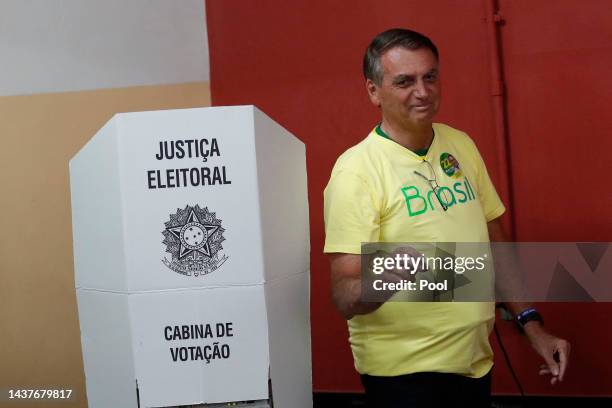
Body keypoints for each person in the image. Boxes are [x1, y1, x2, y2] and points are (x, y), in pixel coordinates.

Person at [323, 28, 570, 407]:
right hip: (405, 376)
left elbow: (494, 242)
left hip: (474, 364)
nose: (422, 92)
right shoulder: (355, 171)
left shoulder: (460, 144)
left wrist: (532, 324)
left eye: (430, 77)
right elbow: (343, 294)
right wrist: (380, 279)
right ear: (374, 91)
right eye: (404, 81)